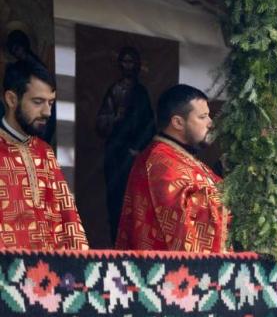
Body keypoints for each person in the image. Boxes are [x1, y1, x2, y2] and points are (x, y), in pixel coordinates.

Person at [115, 84, 227, 252]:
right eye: (203, 117)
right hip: (169, 271)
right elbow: (179, 216)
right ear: (178, 122)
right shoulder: (159, 161)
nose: (211, 123)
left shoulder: (179, 155)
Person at [0, 59, 87, 249]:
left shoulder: (44, 151)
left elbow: (68, 217)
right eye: (38, 102)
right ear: (11, 99)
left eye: (51, 102)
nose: (47, 112)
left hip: (49, 273)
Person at [96, 46, 155, 243]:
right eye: (125, 61)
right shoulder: (115, 90)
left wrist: (137, 149)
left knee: (135, 204)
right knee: (116, 203)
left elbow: (149, 126)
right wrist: (115, 117)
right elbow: (101, 123)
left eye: (132, 61)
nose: (128, 65)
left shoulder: (141, 92)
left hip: (134, 156)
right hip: (116, 154)